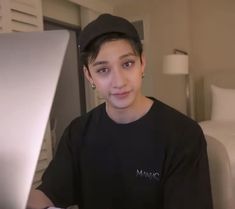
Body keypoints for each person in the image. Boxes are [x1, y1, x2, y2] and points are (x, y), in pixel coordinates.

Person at [27, 14, 213, 209]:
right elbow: (49, 194)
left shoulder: (183, 135)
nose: (119, 82)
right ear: (89, 76)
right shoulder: (78, 132)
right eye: (103, 70)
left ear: (142, 63)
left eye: (127, 64)